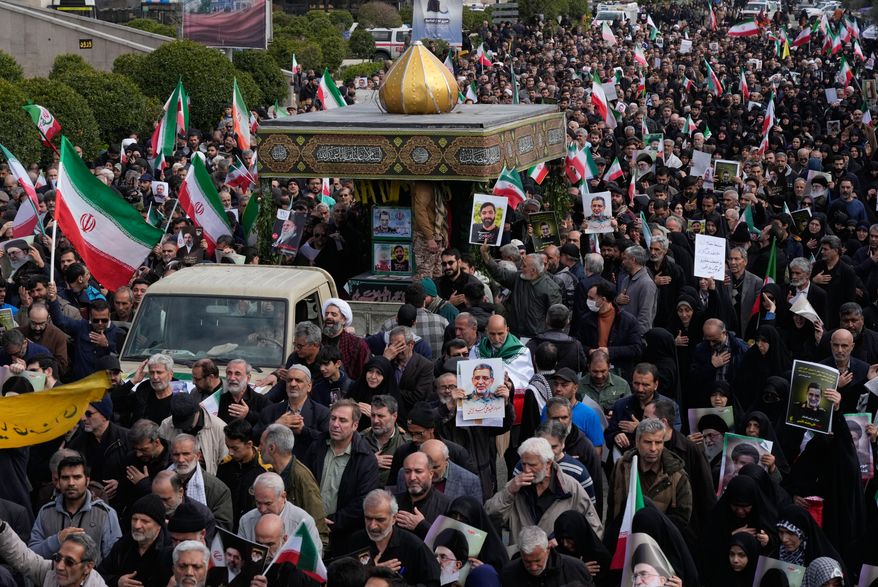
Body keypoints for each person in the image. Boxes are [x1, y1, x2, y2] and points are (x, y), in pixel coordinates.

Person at [485, 437, 602, 545]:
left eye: (532, 465)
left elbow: (594, 527)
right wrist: (509, 492)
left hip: (559, 562)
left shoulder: (570, 488)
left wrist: (568, 542)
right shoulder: (515, 486)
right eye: (523, 464)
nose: (526, 470)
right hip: (522, 559)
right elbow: (489, 517)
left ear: (548, 464)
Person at [301, 399, 379, 554]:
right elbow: (303, 481)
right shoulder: (317, 446)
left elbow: (364, 500)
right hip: (309, 527)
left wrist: (332, 522)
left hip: (342, 536)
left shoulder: (365, 458)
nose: (335, 424)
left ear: (355, 426)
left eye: (343, 420)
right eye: (333, 418)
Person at [29, 454, 122, 564]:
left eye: (77, 477)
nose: (71, 483)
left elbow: (114, 559)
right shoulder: (46, 512)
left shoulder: (105, 513)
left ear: (87, 481)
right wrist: (57, 540)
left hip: (92, 580)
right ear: (58, 482)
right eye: (65, 478)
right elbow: (31, 554)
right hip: (52, 578)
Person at [256, 424, 328, 545]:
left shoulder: (302, 478)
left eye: (261, 444)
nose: (258, 448)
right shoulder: (272, 474)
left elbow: (319, 530)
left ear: (272, 448)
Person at [359, 489, 441, 587]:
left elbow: (433, 582)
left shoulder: (414, 546)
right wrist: (369, 571)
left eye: (380, 519)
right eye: (368, 518)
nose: (372, 526)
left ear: (394, 518)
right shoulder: (355, 542)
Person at [479, 244, 562, 337]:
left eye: (524, 266)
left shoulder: (551, 288)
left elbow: (555, 317)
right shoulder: (518, 278)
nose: (521, 267)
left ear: (533, 270)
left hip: (536, 337)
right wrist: (485, 255)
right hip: (514, 334)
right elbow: (500, 273)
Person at [237, 473, 323, 556]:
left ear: (283, 496)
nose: (262, 509)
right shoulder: (246, 521)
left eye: (268, 503)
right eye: (258, 503)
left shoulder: (303, 522)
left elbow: (313, 561)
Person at [0, 520, 105, 587]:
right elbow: (23, 557)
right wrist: (1, 528)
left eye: (69, 562)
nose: (59, 566)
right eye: (58, 558)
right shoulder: (50, 571)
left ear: (88, 567)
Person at [500, 526, 593, 587]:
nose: (533, 567)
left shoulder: (575, 569)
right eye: (527, 561)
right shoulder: (509, 573)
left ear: (548, 549)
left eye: (537, 560)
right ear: (521, 553)